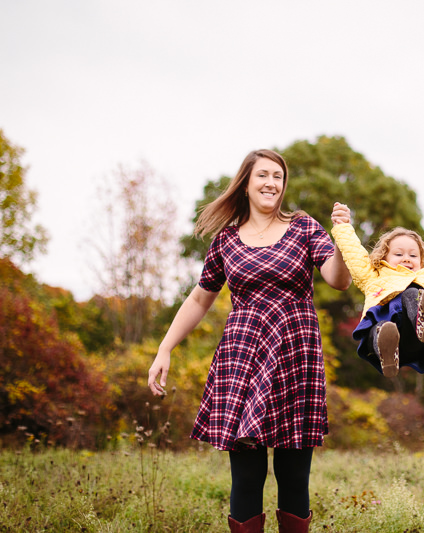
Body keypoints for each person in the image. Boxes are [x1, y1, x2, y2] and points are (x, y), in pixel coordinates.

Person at [147, 149, 351, 533]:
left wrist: (342, 239)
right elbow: (199, 298)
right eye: (263, 175)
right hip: (242, 360)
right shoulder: (226, 240)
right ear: (246, 182)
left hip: (295, 357)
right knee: (246, 477)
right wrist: (165, 347)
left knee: (293, 478)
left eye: (278, 176)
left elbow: (338, 280)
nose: (272, 182)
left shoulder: (305, 227)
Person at [330, 202, 424, 377]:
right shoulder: (373, 276)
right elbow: (354, 254)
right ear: (383, 257)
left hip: (414, 338)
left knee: (414, 293)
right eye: (399, 254)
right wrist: (343, 226)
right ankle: (387, 351)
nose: (407, 259)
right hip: (381, 338)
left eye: (413, 255)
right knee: (381, 328)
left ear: (422, 260)